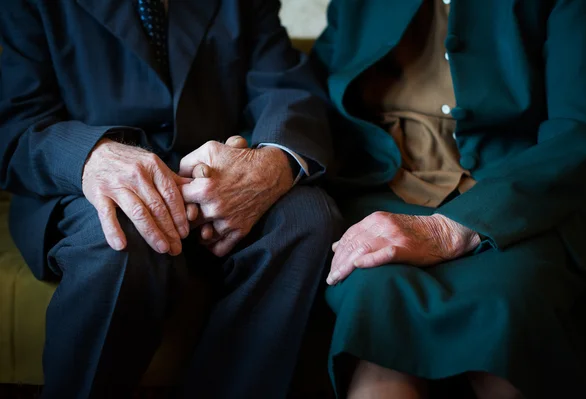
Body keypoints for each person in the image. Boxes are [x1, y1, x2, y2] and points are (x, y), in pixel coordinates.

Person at [0, 0, 340, 398]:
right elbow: (15, 122)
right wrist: (91, 156)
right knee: (122, 239)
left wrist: (274, 161)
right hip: (83, 184)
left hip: (217, 182)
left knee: (308, 220)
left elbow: (285, 86)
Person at [311, 0, 586, 398]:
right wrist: (268, 156)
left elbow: (581, 131)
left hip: (521, 197)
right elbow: (314, 87)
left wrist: (447, 229)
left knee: (505, 315)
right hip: (382, 189)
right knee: (377, 317)